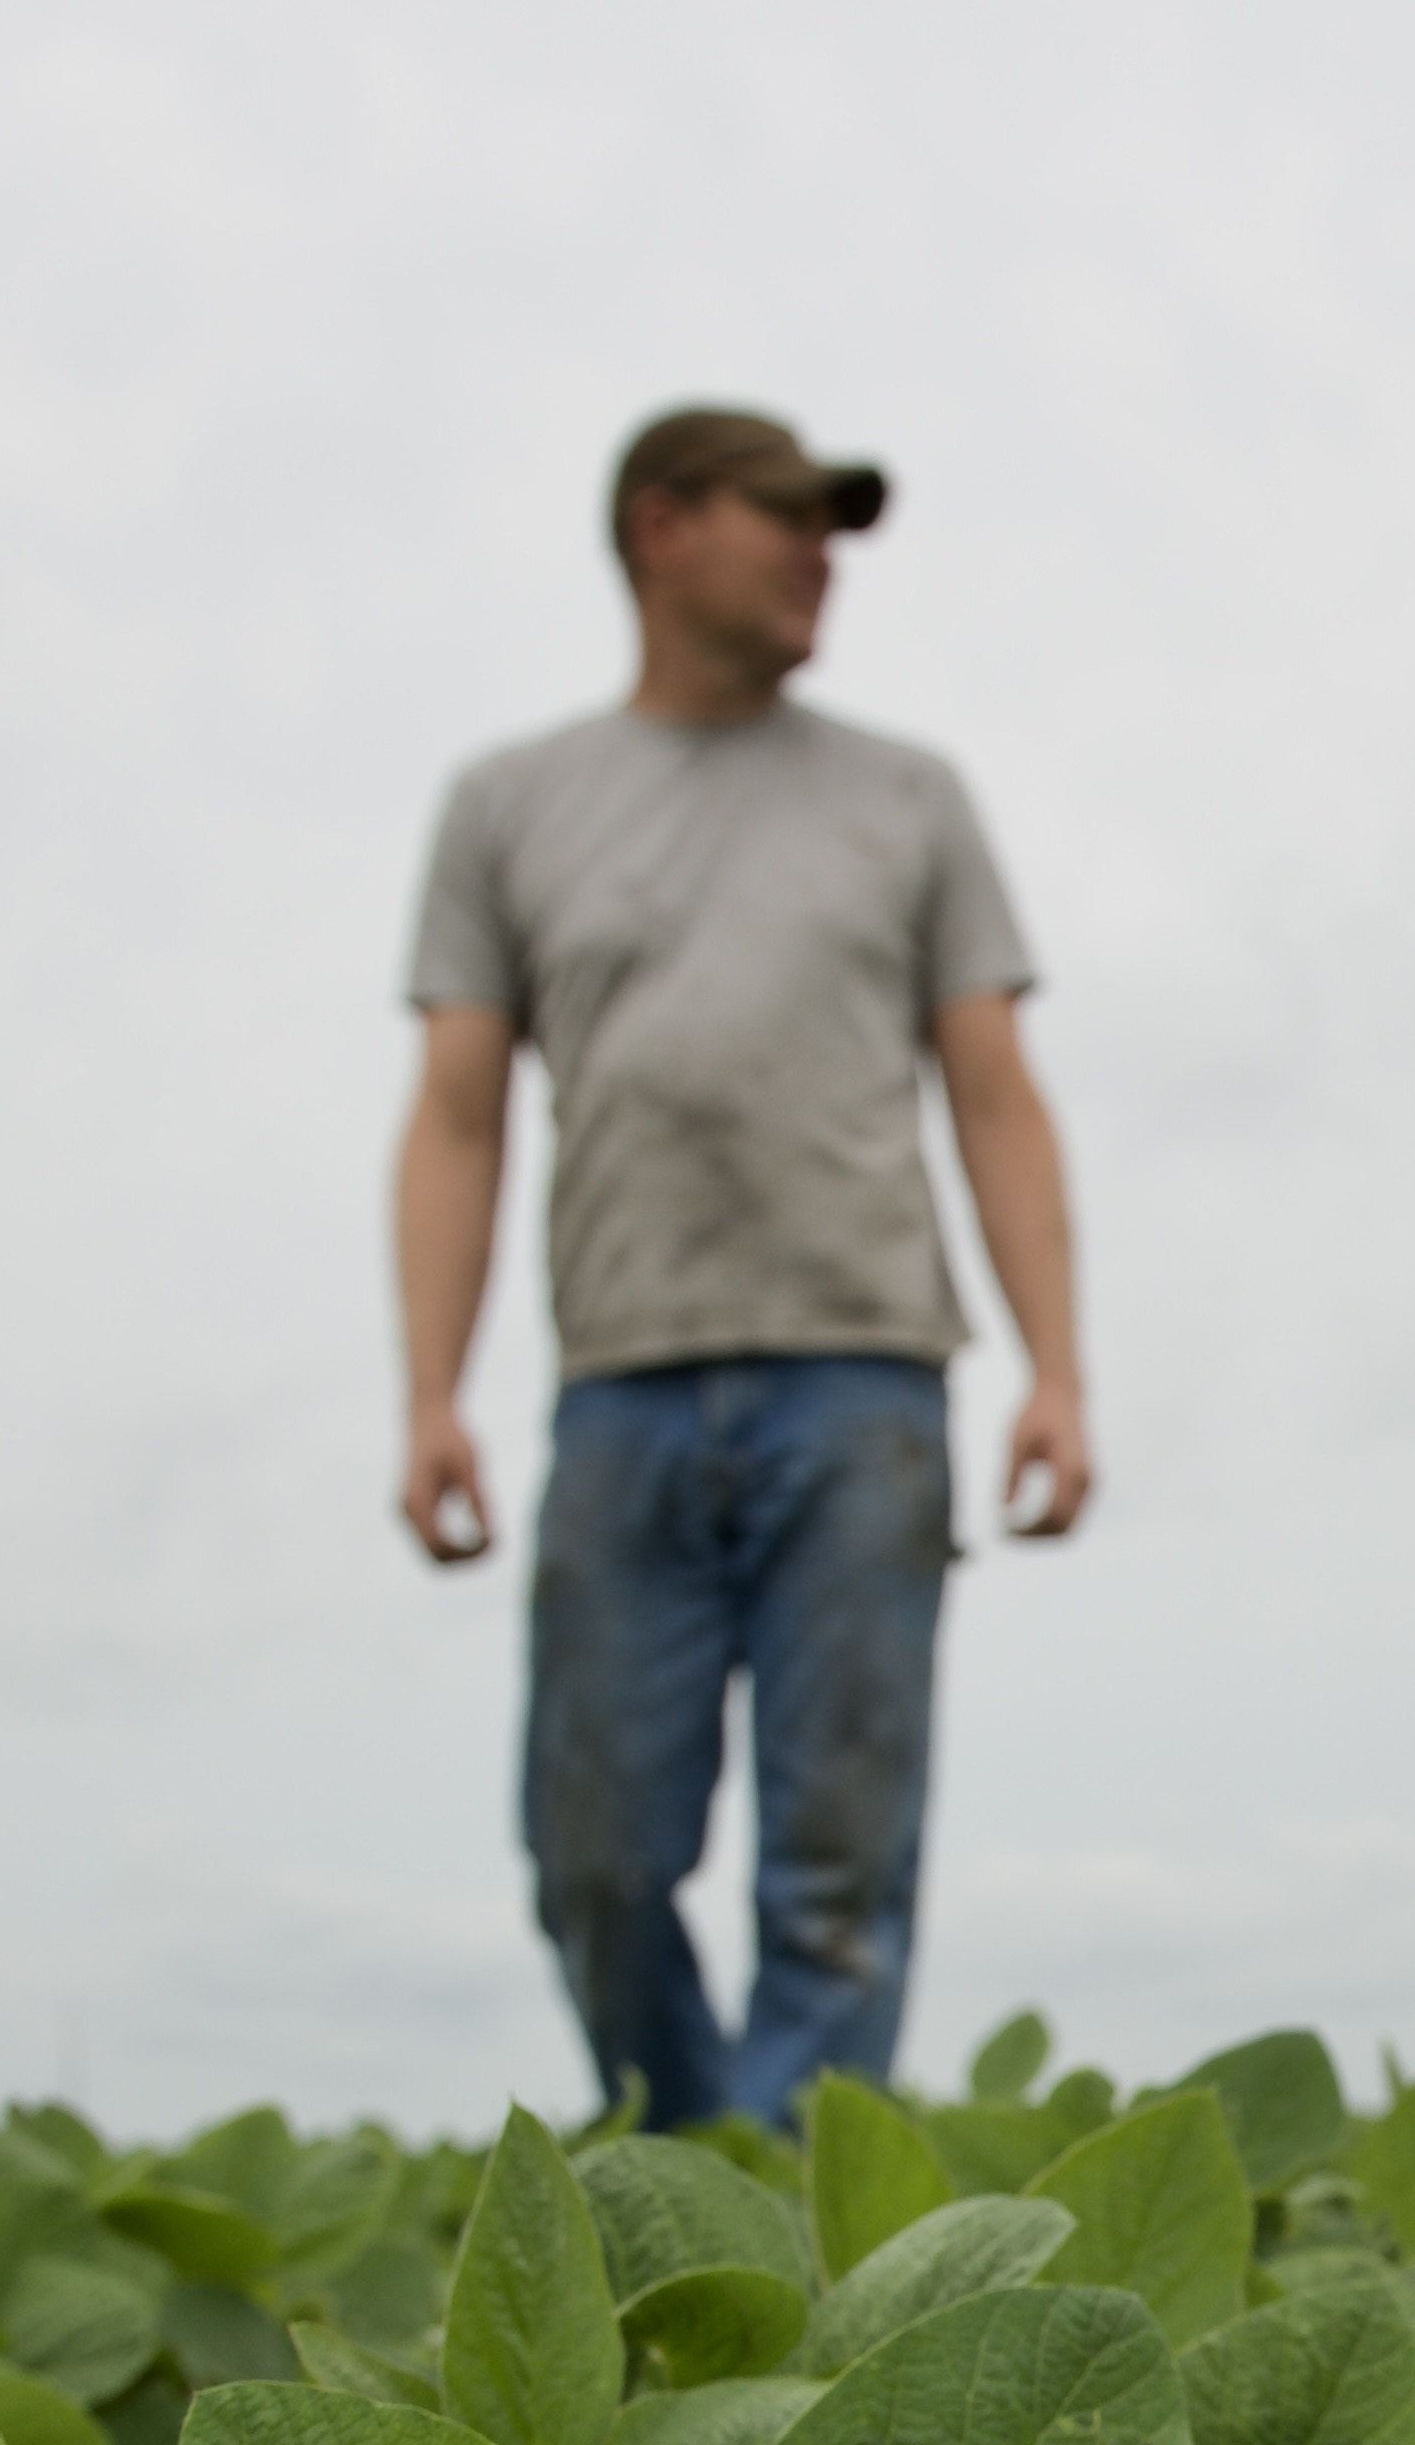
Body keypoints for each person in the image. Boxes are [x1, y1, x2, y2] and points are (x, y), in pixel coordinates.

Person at [391, 402, 1089, 2130]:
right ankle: (692, 2171)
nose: (818, 556)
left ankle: (778, 2237)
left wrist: (1055, 1370)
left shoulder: (908, 799)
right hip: (623, 1382)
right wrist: (430, 1396)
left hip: (863, 1376)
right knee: (597, 1855)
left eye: (833, 529)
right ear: (661, 527)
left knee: (838, 1866)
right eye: (784, 518)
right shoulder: (511, 805)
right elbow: (460, 1115)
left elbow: (993, 1092)